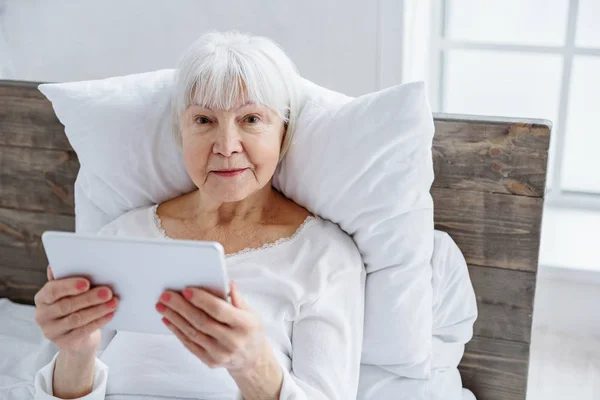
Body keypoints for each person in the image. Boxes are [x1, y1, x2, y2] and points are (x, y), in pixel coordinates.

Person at [33, 30, 365, 400]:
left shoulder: (326, 258)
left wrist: (252, 364)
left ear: (283, 131)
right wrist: (77, 351)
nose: (225, 147)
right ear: (182, 131)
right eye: (204, 120)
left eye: (251, 119)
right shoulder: (123, 235)